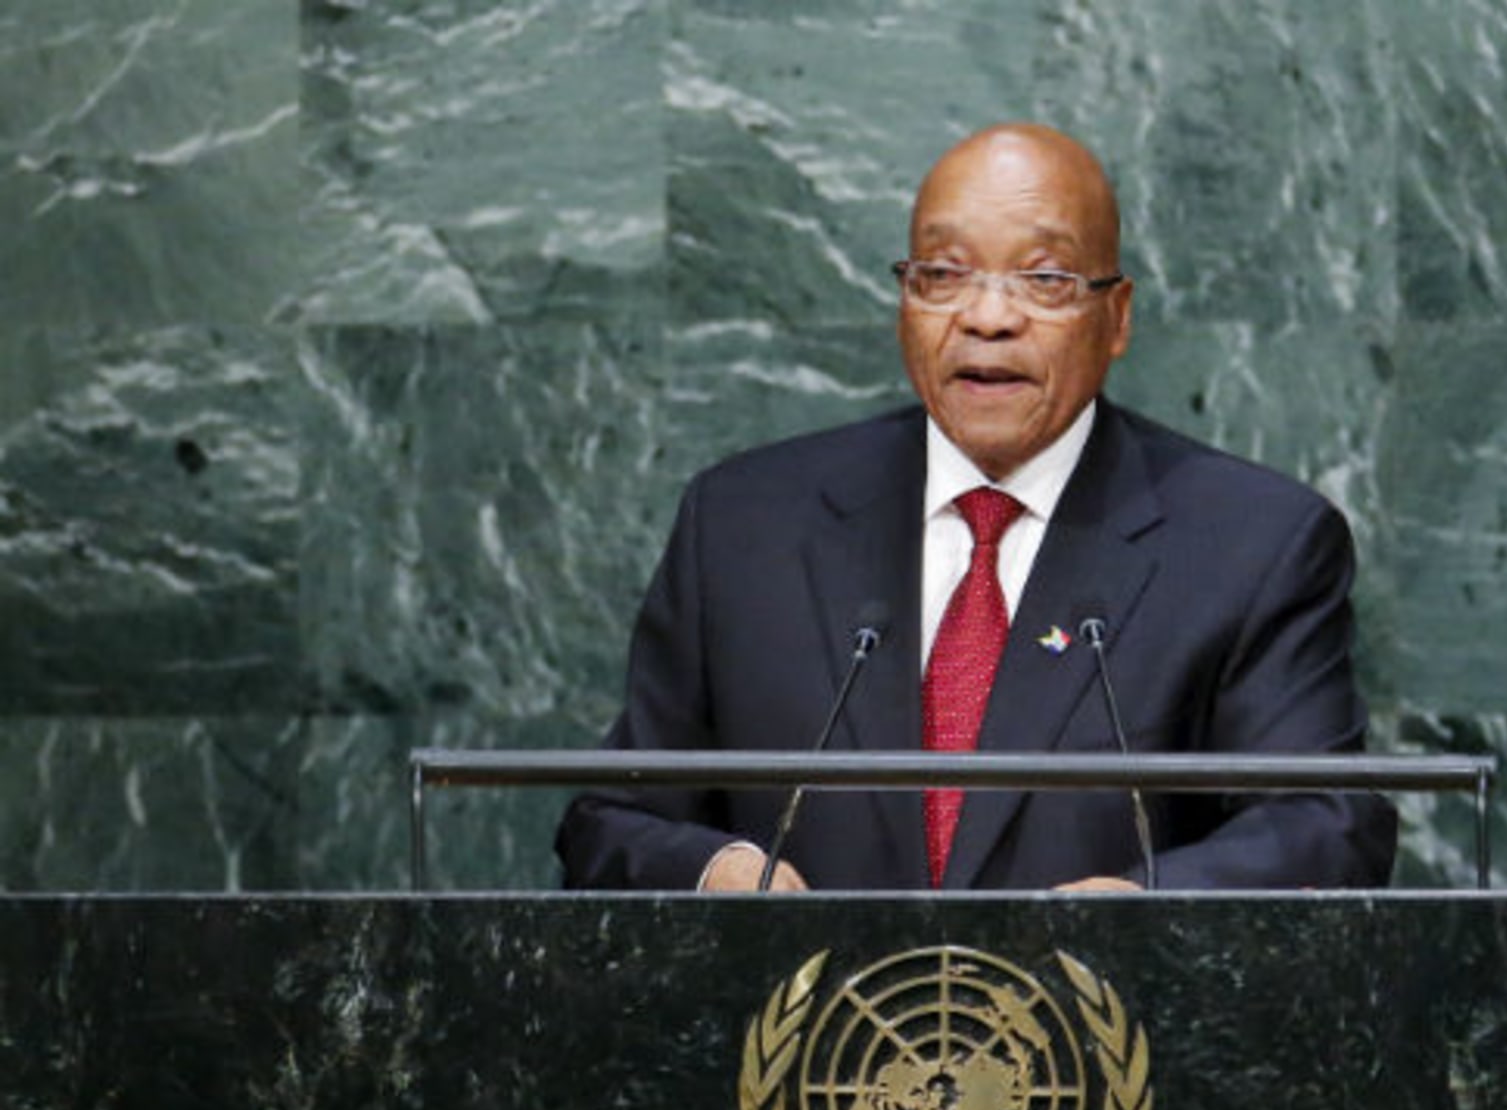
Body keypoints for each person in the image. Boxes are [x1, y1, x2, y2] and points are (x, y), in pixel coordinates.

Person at [555, 123, 1396, 892]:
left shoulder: (1253, 543)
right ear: (904, 302)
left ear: (1117, 317)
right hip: (802, 1044)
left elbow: (1326, 826)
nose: (988, 318)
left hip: (1107, 1043)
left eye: (1045, 279)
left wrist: (1151, 909)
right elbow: (610, 820)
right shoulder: (744, 526)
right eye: (944, 274)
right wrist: (717, 872)